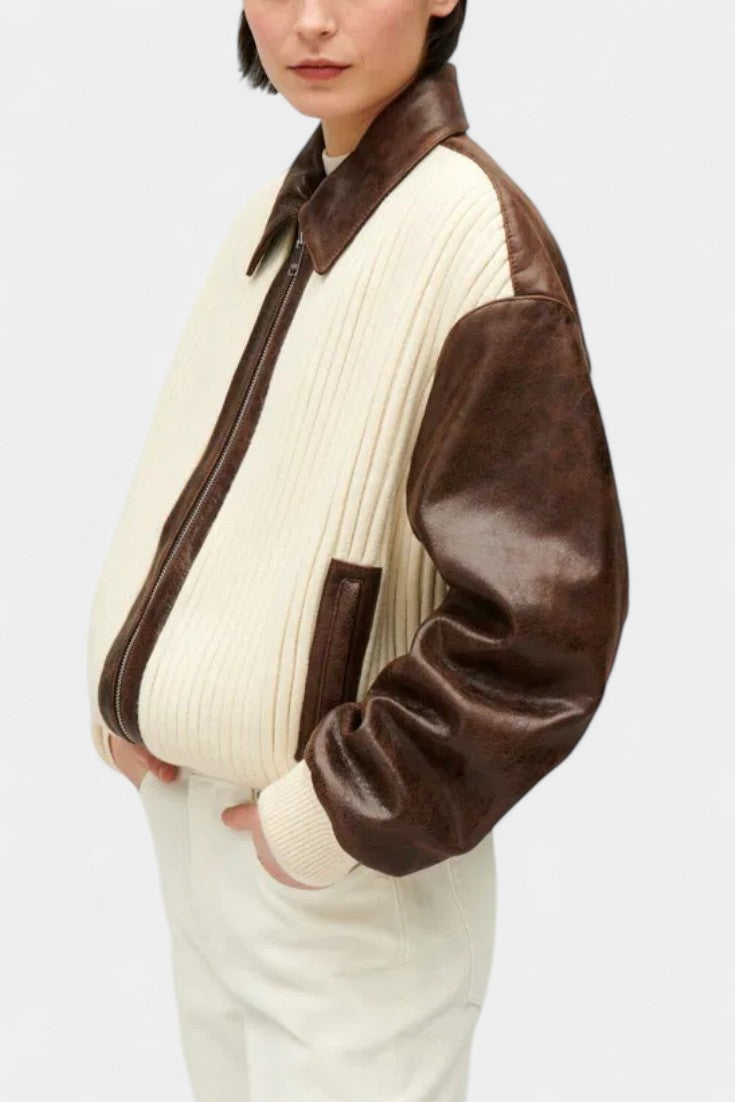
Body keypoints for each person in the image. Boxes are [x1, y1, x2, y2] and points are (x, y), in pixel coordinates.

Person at [85, 1, 629, 1099]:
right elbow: (208, 488)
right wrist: (127, 693)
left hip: (348, 890)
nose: (312, 21)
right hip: (205, 842)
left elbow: (540, 633)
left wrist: (334, 811)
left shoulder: (474, 239)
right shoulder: (276, 217)